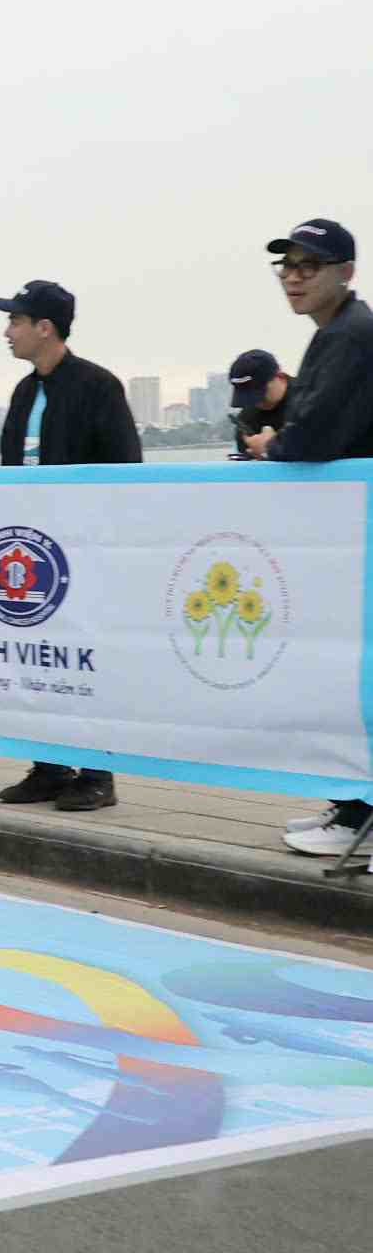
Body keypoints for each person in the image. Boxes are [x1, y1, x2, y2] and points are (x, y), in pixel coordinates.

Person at [242, 220, 373, 859]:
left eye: (309, 264)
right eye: (286, 265)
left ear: (344, 272)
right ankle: (353, 805)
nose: (294, 275)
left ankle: (362, 816)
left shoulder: (350, 337)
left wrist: (272, 445)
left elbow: (315, 434)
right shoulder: (335, 334)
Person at [0, 280, 142, 811]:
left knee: (87, 662)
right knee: (36, 660)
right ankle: (49, 766)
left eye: (15, 320)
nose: (6, 331)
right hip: (31, 556)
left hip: (86, 549)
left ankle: (98, 772)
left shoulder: (99, 386)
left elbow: (127, 470)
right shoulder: (24, 391)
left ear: (44, 328)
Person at [226, 349, 291, 457]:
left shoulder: (311, 402)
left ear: (280, 377)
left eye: (260, 393)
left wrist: (273, 446)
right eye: (248, 398)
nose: (257, 402)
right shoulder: (246, 419)